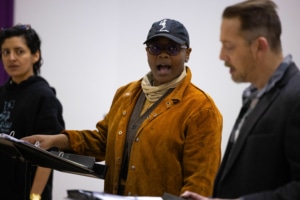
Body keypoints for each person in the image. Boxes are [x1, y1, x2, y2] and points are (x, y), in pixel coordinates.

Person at [23, 18, 223, 197]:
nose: (162, 55)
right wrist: (59, 140)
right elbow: (104, 140)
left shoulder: (201, 108)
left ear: (187, 53)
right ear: (146, 51)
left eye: (172, 48)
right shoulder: (126, 94)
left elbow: (200, 182)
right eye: (155, 48)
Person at [180, 0, 300, 200]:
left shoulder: (295, 98)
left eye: (229, 46)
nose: (221, 56)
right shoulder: (254, 97)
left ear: (259, 47)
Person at [0, 24, 65, 200]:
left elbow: (49, 154)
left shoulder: (44, 96)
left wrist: (34, 196)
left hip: (26, 194)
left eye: (19, 51)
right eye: (6, 52)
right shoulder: (2, 93)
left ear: (35, 55)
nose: (11, 58)